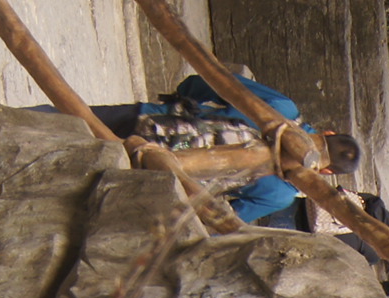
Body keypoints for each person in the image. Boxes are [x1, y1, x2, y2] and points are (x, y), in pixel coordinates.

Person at [83, 74, 362, 225]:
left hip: (151, 121)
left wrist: (185, 93)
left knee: (66, 121)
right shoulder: (281, 195)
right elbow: (223, 219)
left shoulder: (284, 110)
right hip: (153, 176)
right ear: (326, 171)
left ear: (329, 133)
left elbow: (214, 83)